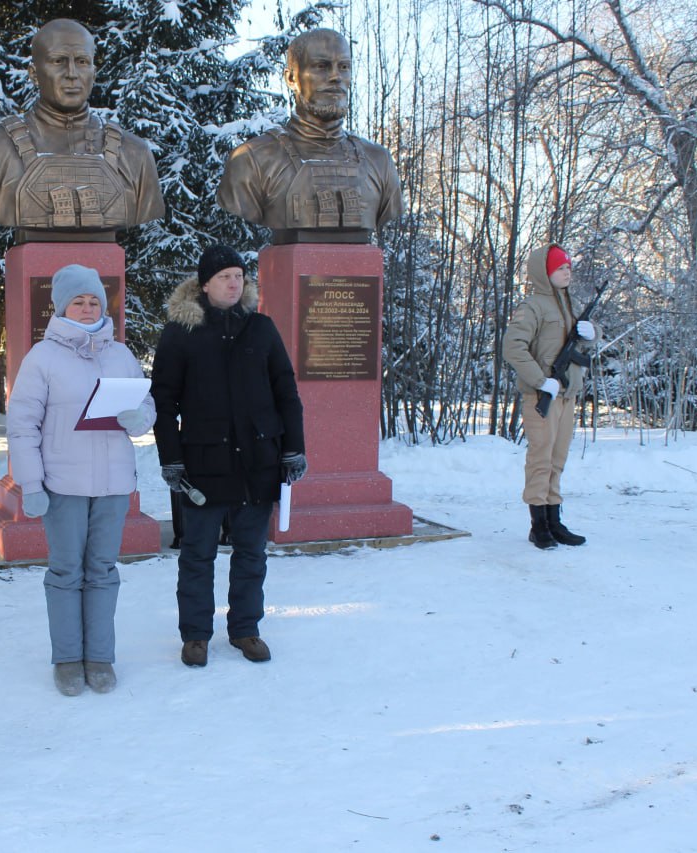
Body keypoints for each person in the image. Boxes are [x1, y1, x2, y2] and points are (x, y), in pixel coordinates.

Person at [150, 246, 306, 667]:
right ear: (204, 284)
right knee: (197, 553)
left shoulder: (262, 328)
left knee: (252, 552)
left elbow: (286, 393)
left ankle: (246, 629)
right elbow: (163, 402)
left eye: (239, 275)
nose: (234, 283)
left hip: (259, 460)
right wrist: (172, 458)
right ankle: (196, 635)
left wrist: (293, 449)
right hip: (203, 464)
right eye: (224, 277)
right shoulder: (180, 333)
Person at [6, 264, 155, 696]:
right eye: (79, 301)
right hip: (63, 486)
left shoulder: (120, 354)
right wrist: (31, 485)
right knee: (67, 571)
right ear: (61, 306)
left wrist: (139, 418)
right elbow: (22, 426)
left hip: (111, 485)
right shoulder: (42, 358)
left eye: (94, 301)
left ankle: (100, 657)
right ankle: (69, 658)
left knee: (103, 570)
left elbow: (147, 406)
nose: (88, 308)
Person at [0, 18, 164, 238]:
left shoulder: (135, 154)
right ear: (34, 74)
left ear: (94, 72)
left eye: (82, 61)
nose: (72, 73)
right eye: (58, 61)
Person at [216, 28, 402, 243]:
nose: (335, 77)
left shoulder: (379, 161)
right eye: (321, 66)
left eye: (344, 67)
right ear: (292, 78)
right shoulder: (253, 159)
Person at [502, 243, 597, 550]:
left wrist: (592, 335)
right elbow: (512, 347)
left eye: (568, 266)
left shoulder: (569, 305)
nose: (567, 271)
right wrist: (541, 381)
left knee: (558, 460)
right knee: (541, 460)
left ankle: (555, 521)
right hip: (542, 398)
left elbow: (581, 350)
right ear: (545, 273)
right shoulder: (533, 307)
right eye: (560, 267)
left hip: (567, 397)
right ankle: (538, 525)